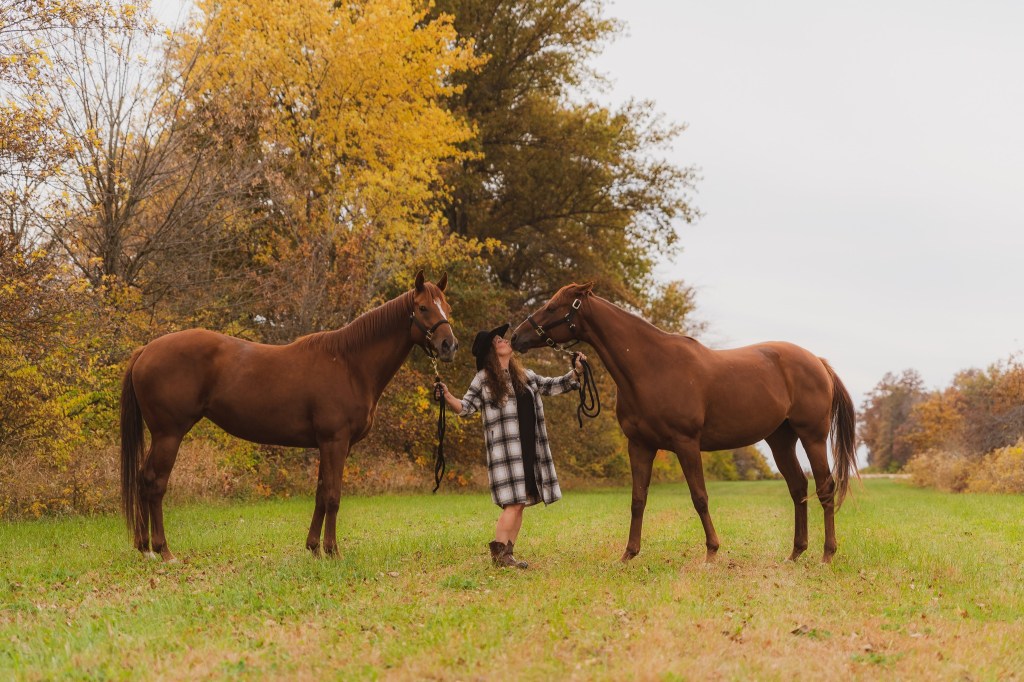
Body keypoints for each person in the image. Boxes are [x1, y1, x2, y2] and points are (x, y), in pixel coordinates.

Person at [438, 323, 586, 568]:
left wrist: (576, 372)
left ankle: (507, 554)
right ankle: (499, 556)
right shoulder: (484, 379)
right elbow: (466, 407)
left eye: (503, 338)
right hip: (505, 452)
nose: (505, 340)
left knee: (520, 504)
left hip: (529, 449)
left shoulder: (525, 375)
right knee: (512, 503)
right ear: (491, 351)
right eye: (498, 340)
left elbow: (551, 385)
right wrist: (447, 396)